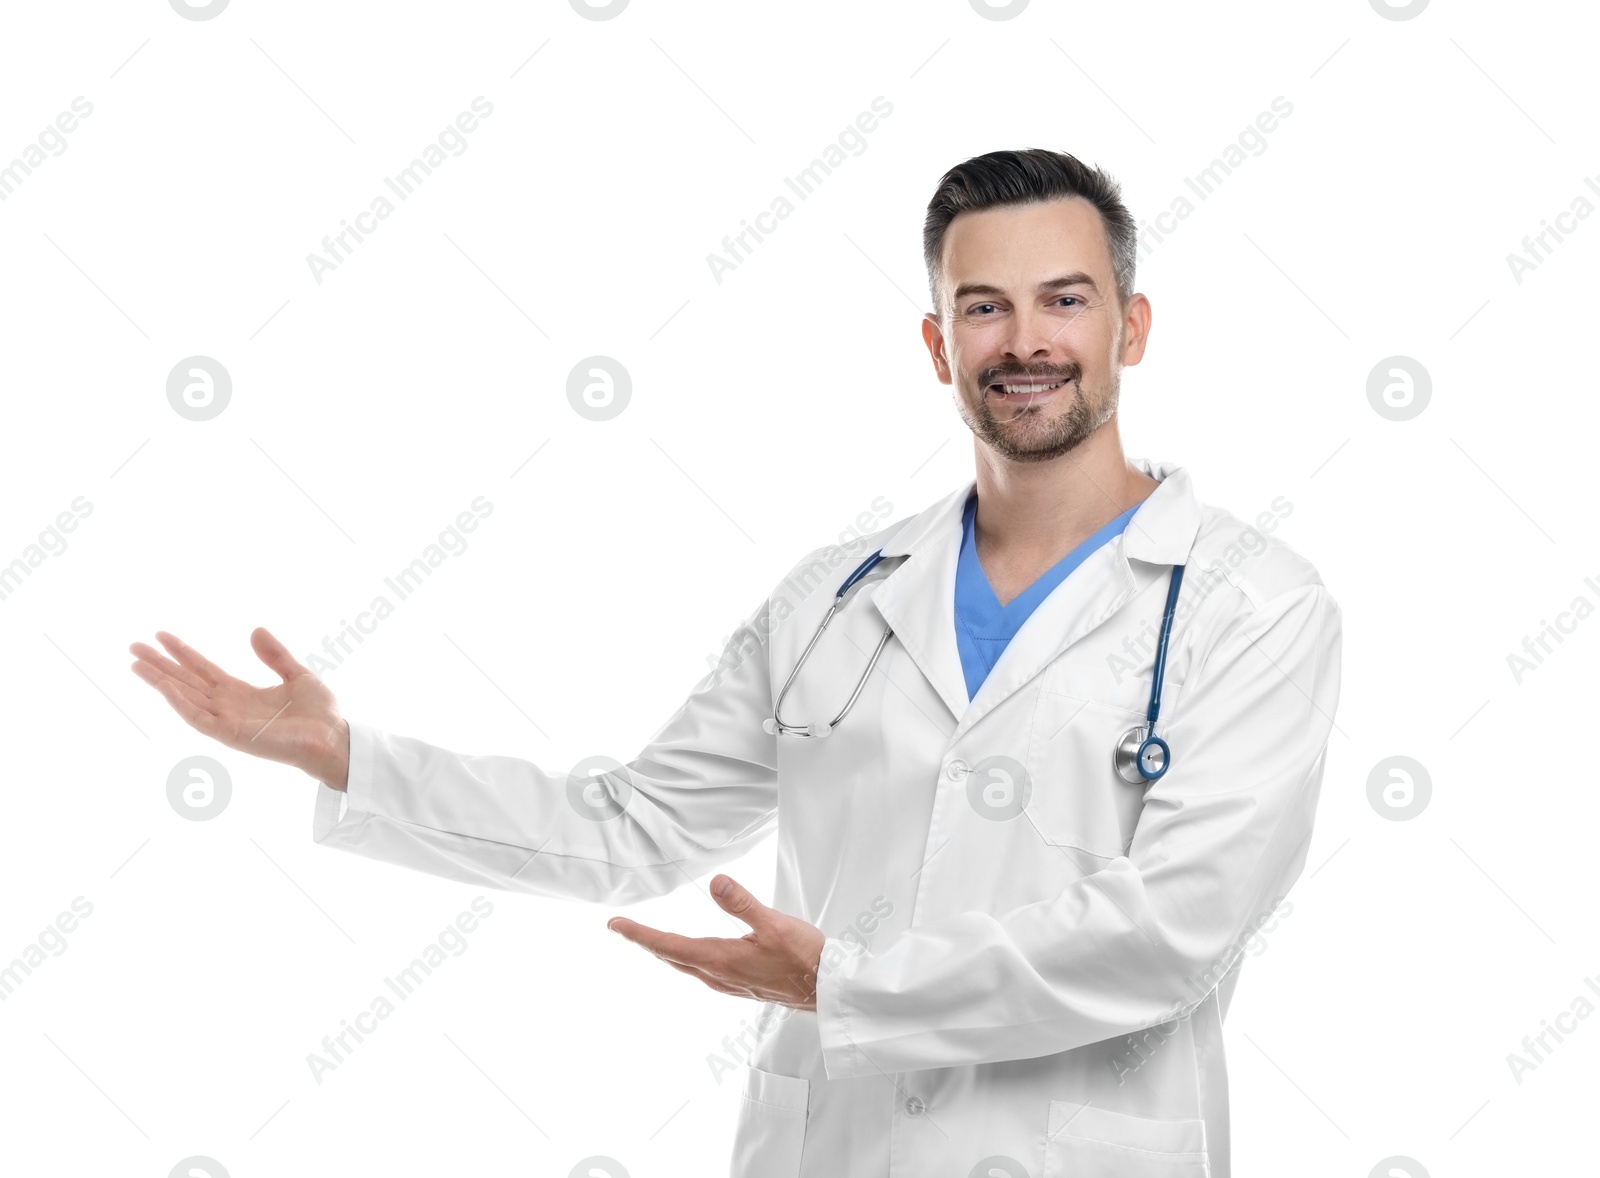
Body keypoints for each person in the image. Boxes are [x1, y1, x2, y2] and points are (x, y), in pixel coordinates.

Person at [130, 148, 1342, 1178]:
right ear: (936, 342)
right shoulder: (834, 597)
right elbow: (631, 825)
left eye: (1064, 301)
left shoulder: (1252, 607)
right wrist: (344, 755)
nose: (1024, 341)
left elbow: (1175, 926)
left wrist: (848, 984)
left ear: (1130, 325)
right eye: (983, 306)